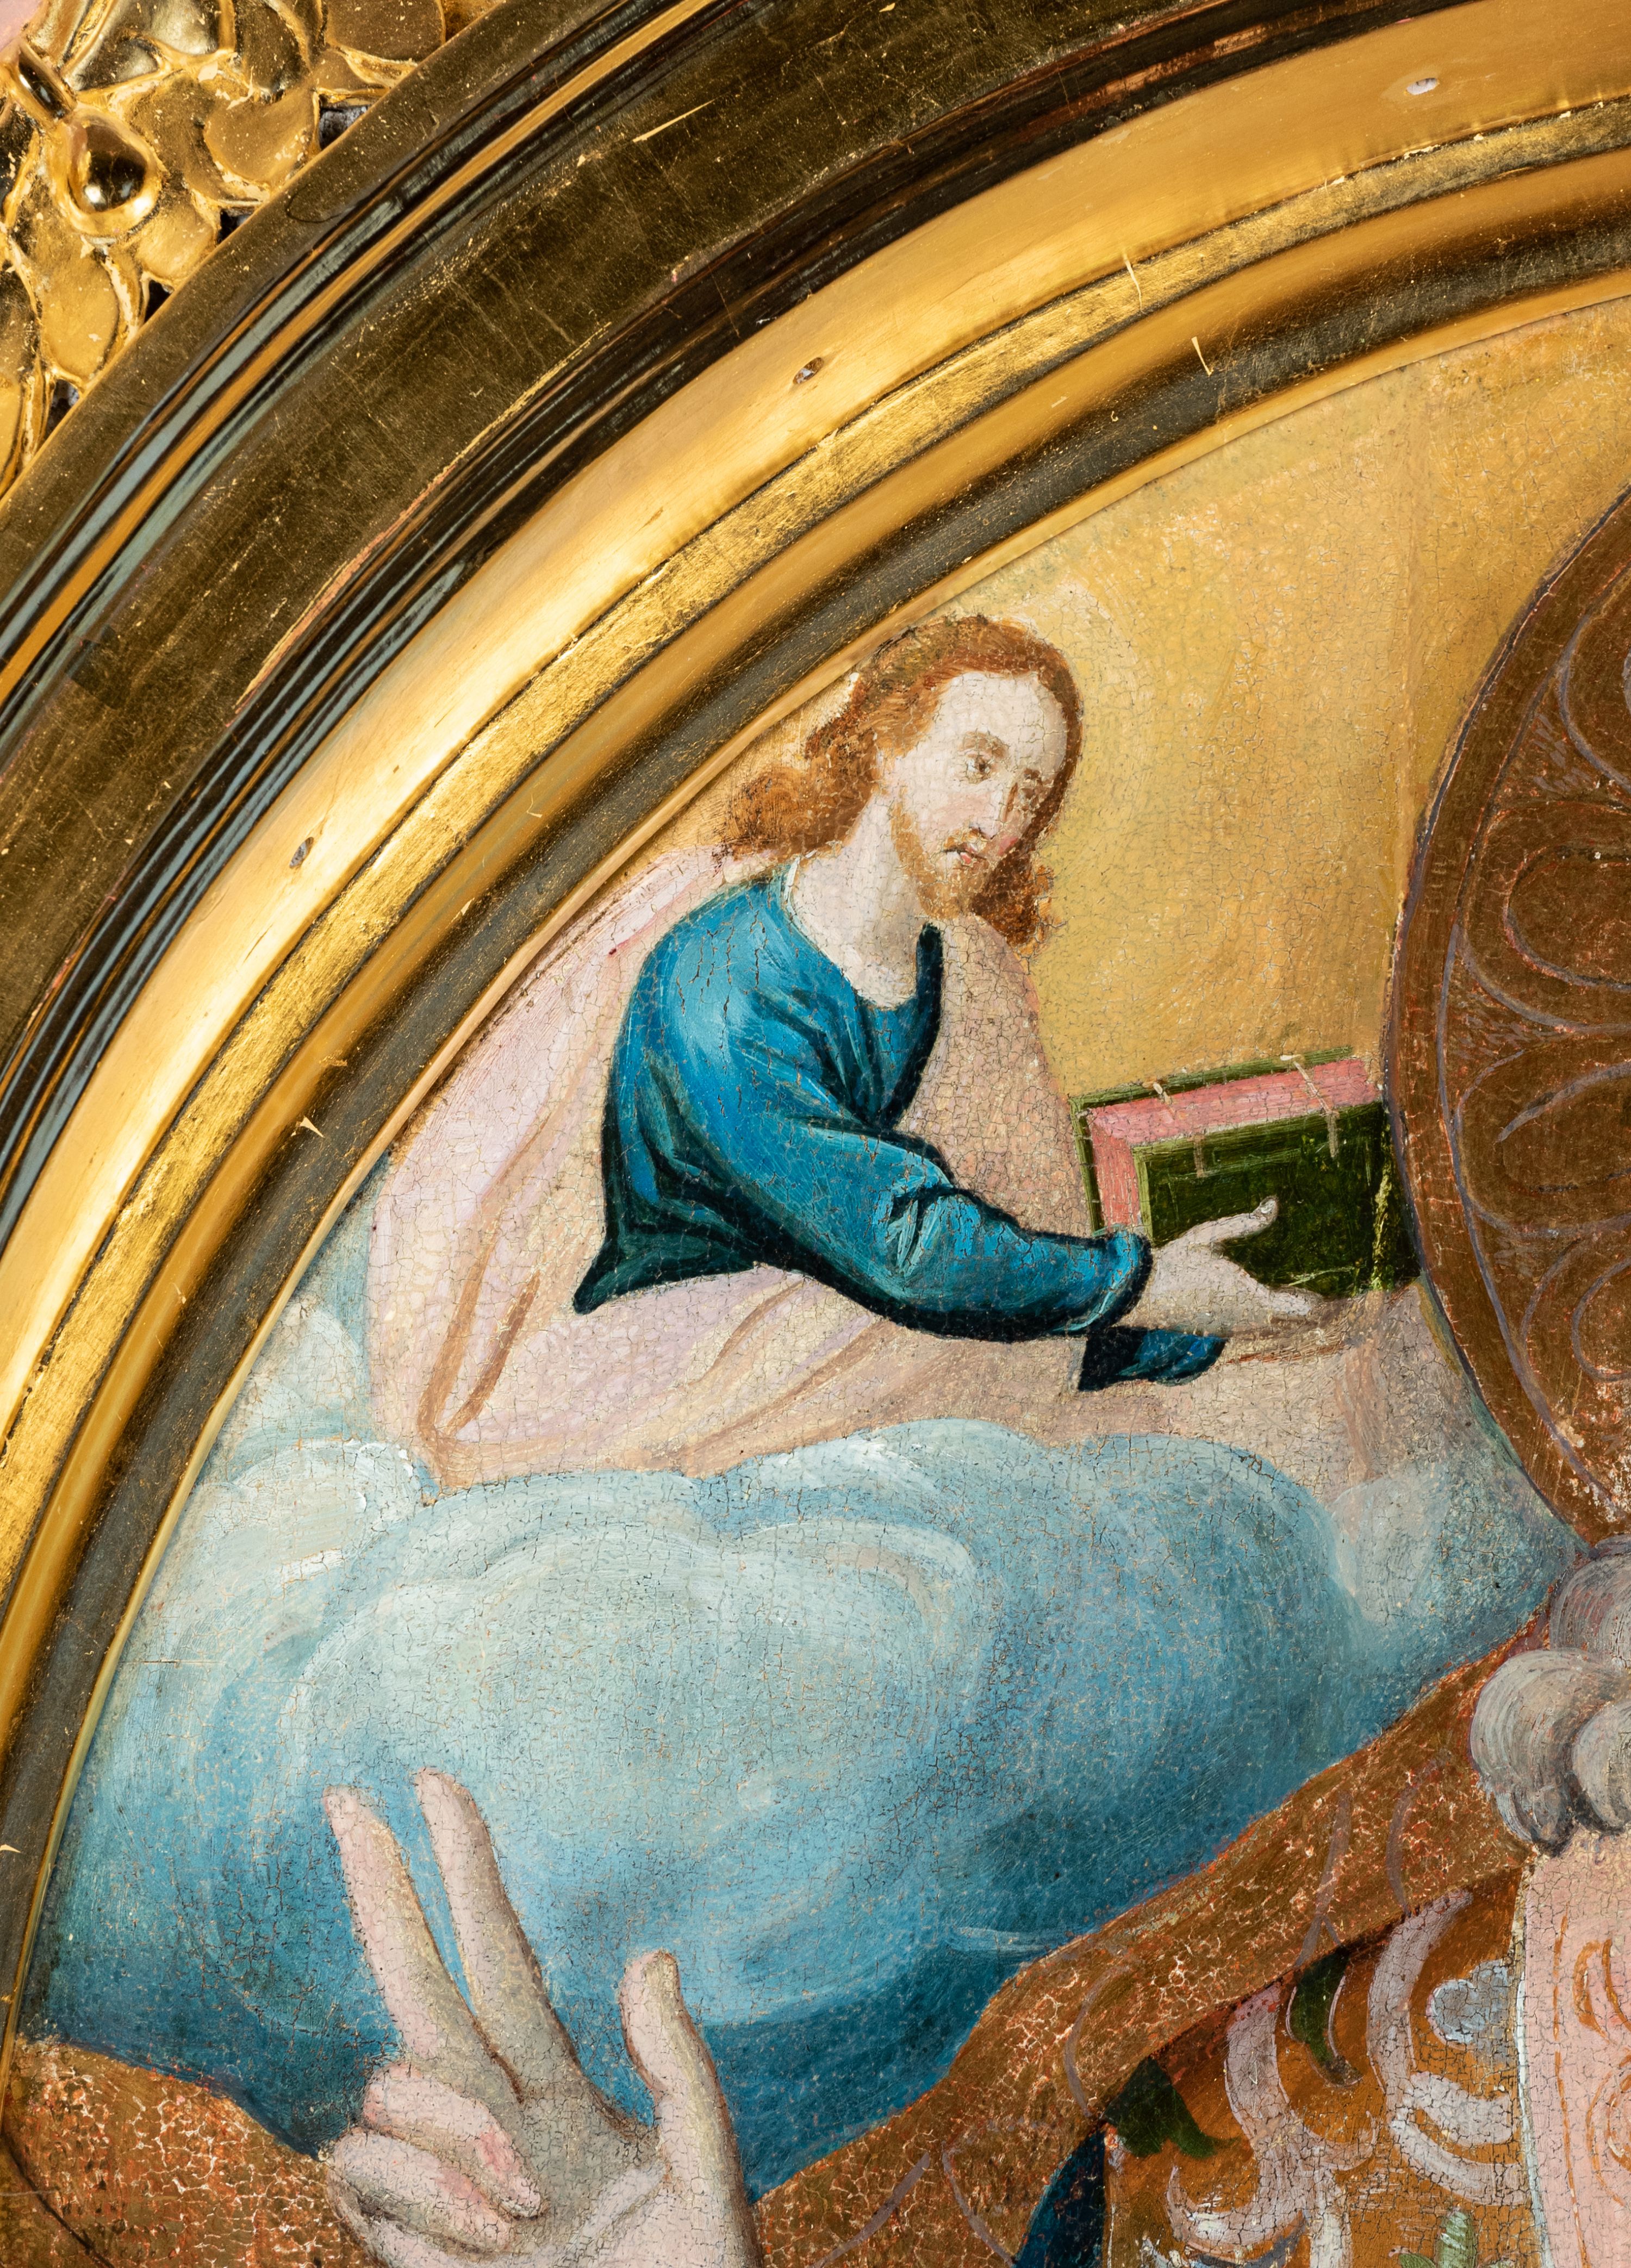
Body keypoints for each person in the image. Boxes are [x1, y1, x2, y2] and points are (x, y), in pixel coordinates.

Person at [369, 616, 1309, 1488]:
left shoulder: (968, 970)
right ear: (886, 745)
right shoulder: (724, 979)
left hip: (867, 1353)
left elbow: (1008, 1268)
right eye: (978, 765)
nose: (1002, 819)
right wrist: (1151, 1285)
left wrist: (1196, 1319)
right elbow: (906, 1251)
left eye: (1031, 792)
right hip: (679, 1379)